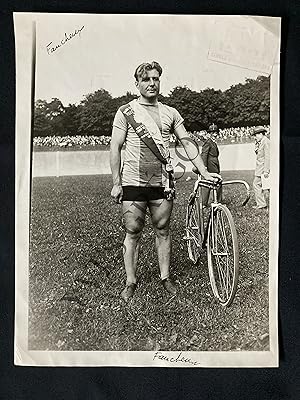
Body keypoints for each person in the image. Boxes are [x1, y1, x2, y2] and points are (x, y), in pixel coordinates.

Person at [110, 61, 220, 301]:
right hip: (132, 182)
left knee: (163, 230)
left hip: (162, 182)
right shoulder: (125, 111)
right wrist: (116, 182)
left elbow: (187, 143)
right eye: (146, 79)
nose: (151, 83)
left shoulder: (171, 112)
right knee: (132, 231)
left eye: (155, 79)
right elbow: (115, 147)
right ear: (136, 83)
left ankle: (165, 277)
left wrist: (203, 170)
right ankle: (130, 280)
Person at [196, 124, 222, 206]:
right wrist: (204, 167)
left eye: (215, 132)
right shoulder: (208, 142)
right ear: (209, 134)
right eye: (212, 133)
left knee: (216, 183)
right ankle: (204, 203)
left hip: (214, 164)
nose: (214, 134)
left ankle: (217, 201)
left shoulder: (213, 142)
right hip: (210, 165)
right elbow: (204, 155)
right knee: (208, 184)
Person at [251, 126, 270, 209]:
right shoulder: (262, 141)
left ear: (260, 134)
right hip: (261, 168)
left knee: (256, 184)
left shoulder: (266, 142)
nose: (255, 137)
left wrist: (266, 170)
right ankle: (263, 203)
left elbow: (268, 157)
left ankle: (261, 204)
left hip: (263, 169)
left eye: (255, 135)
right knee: (268, 186)